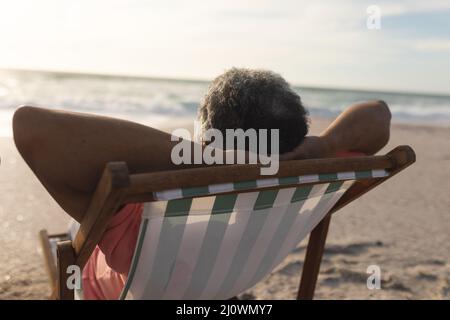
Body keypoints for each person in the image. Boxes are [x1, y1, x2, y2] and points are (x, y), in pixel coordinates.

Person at [12, 68, 391, 299]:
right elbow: (378, 114)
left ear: (206, 140)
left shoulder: (133, 214)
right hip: (229, 277)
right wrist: (321, 145)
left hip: (127, 290)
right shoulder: (302, 183)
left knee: (76, 231)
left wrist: (209, 157)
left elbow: (31, 126)